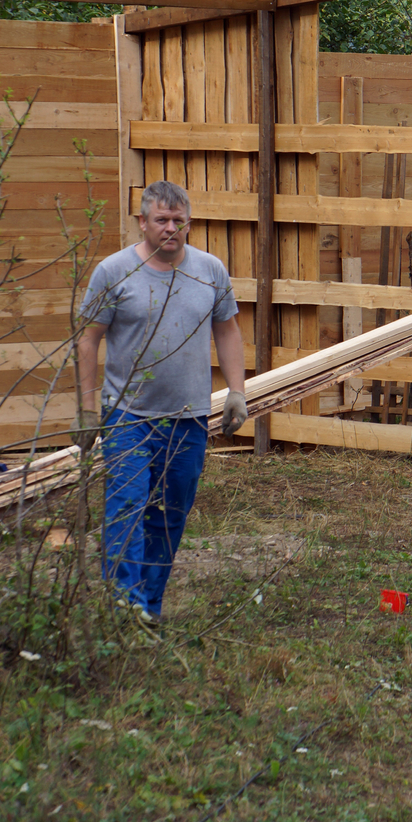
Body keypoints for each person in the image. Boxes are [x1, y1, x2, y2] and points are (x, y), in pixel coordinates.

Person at [76, 180, 250, 622]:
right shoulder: (114, 273)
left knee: (172, 514)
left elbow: (227, 330)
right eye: (161, 220)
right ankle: (124, 609)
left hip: (189, 417)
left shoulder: (210, 271)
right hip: (127, 416)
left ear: (189, 222)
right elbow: (88, 339)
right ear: (142, 223)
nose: (170, 228)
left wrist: (236, 391)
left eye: (178, 220)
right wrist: (85, 407)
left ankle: (148, 608)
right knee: (126, 508)